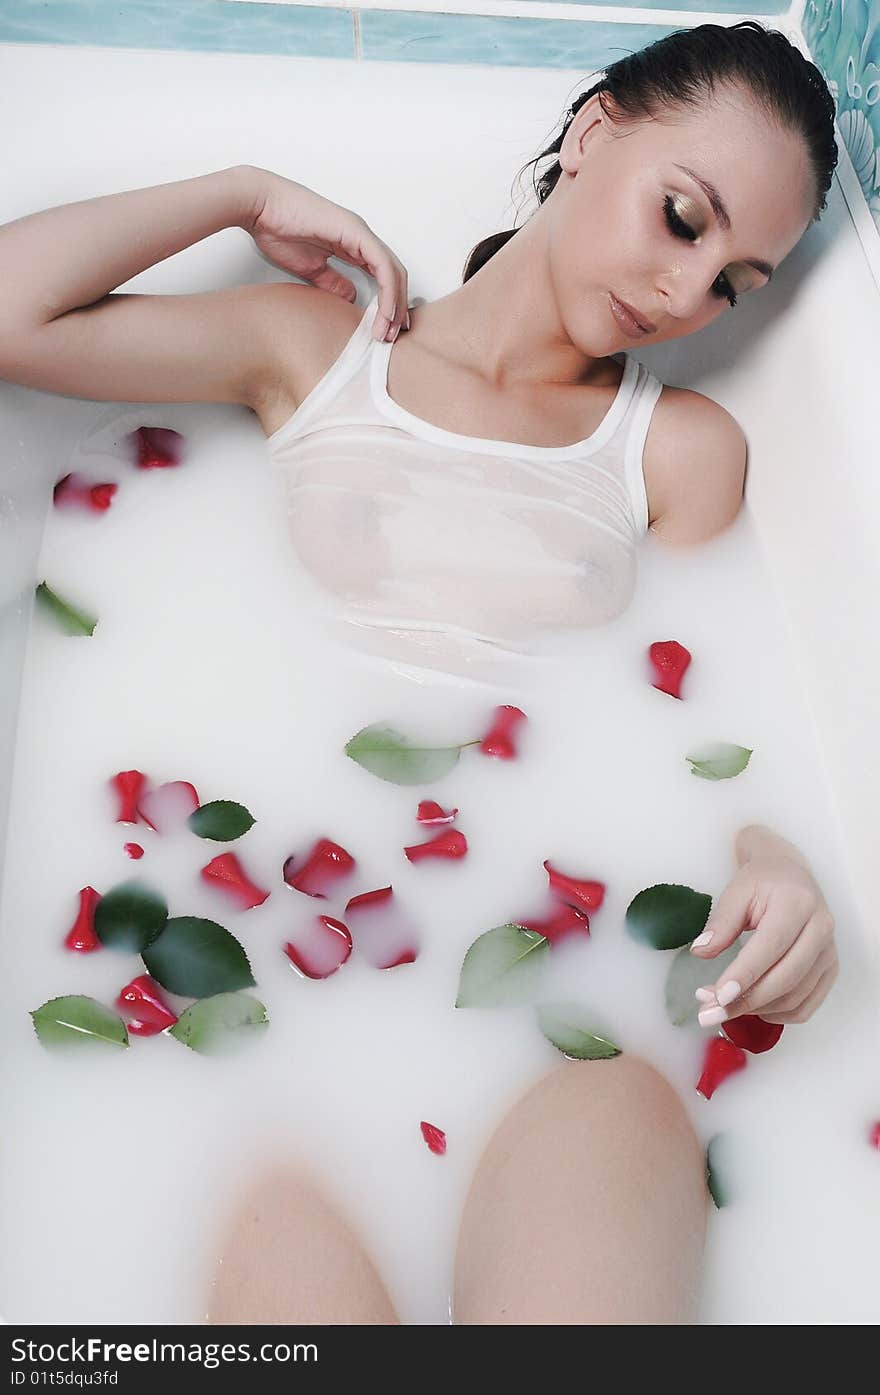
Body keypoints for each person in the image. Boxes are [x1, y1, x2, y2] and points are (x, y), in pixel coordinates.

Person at [0, 20, 840, 1324]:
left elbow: (715, 712)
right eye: (683, 219)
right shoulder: (316, 352)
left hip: (560, 997)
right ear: (593, 133)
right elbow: (11, 314)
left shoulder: (679, 449)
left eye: (736, 282)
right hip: (258, 979)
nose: (687, 293)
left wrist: (776, 855)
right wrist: (241, 188)